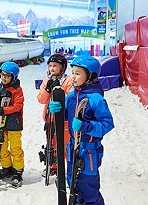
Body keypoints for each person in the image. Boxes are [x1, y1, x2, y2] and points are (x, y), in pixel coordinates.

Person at [49, 55, 114, 205]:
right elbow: (67, 115)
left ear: (90, 76)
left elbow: (107, 124)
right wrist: (58, 111)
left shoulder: (96, 99)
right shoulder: (71, 96)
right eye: (73, 72)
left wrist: (87, 126)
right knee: (73, 185)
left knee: (88, 189)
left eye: (78, 73)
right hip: (72, 147)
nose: (73, 77)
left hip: (88, 151)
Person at [37, 54, 73, 177]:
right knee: (51, 143)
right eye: (50, 66)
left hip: (64, 120)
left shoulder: (68, 81)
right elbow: (41, 100)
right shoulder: (47, 80)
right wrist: (47, 89)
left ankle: (68, 166)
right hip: (50, 118)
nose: (52, 68)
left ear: (62, 67)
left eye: (55, 66)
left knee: (64, 142)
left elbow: (71, 98)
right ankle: (53, 166)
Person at [0, 61, 24, 188]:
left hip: (14, 124)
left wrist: (4, 110)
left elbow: (18, 106)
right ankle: (6, 167)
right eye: (2, 75)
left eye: (7, 76)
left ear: (13, 77)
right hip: (1, 124)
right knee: (2, 148)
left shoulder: (17, 90)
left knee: (15, 149)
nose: (4, 78)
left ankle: (18, 171)